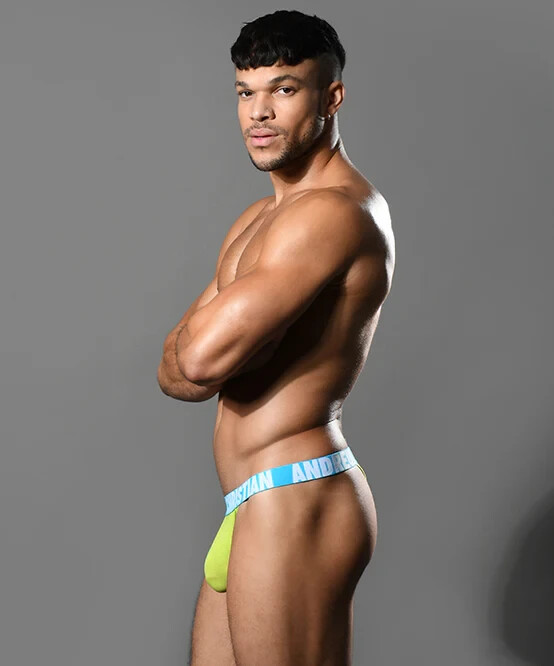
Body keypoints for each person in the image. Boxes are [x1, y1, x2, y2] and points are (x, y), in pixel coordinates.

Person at [157, 9, 395, 665]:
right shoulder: (260, 217)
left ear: (331, 97)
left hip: (296, 494)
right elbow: (173, 372)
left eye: (284, 89)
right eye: (246, 92)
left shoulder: (331, 214)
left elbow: (197, 359)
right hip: (248, 502)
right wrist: (217, 350)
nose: (259, 113)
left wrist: (212, 349)